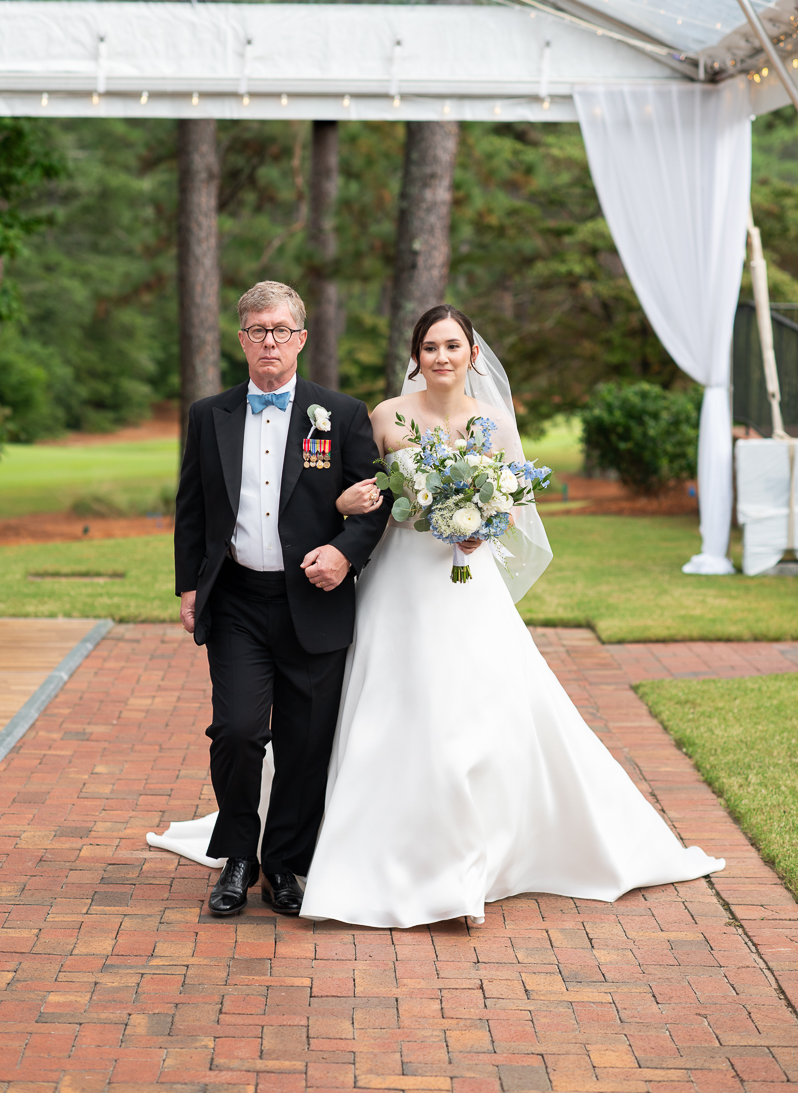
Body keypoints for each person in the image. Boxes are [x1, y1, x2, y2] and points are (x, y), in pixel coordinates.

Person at [297, 304, 724, 927]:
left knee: (476, 715)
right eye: (429, 347)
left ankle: (476, 863)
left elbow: (513, 510)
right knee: (392, 706)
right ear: (415, 356)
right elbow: (362, 502)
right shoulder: (386, 417)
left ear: (472, 353)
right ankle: (378, 852)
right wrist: (344, 498)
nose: (440, 357)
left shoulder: (493, 423)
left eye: (452, 345)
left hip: (466, 585)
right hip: (398, 585)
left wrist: (478, 528)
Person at [173, 280, 391, 918]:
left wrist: (346, 552)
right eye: (257, 330)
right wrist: (190, 584)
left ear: (301, 338)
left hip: (313, 602)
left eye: (281, 330)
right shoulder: (208, 414)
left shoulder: (342, 415)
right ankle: (239, 857)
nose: (270, 341)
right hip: (238, 601)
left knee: (306, 740)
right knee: (238, 731)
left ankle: (287, 863)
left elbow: (373, 503)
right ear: (241, 339)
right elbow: (192, 510)